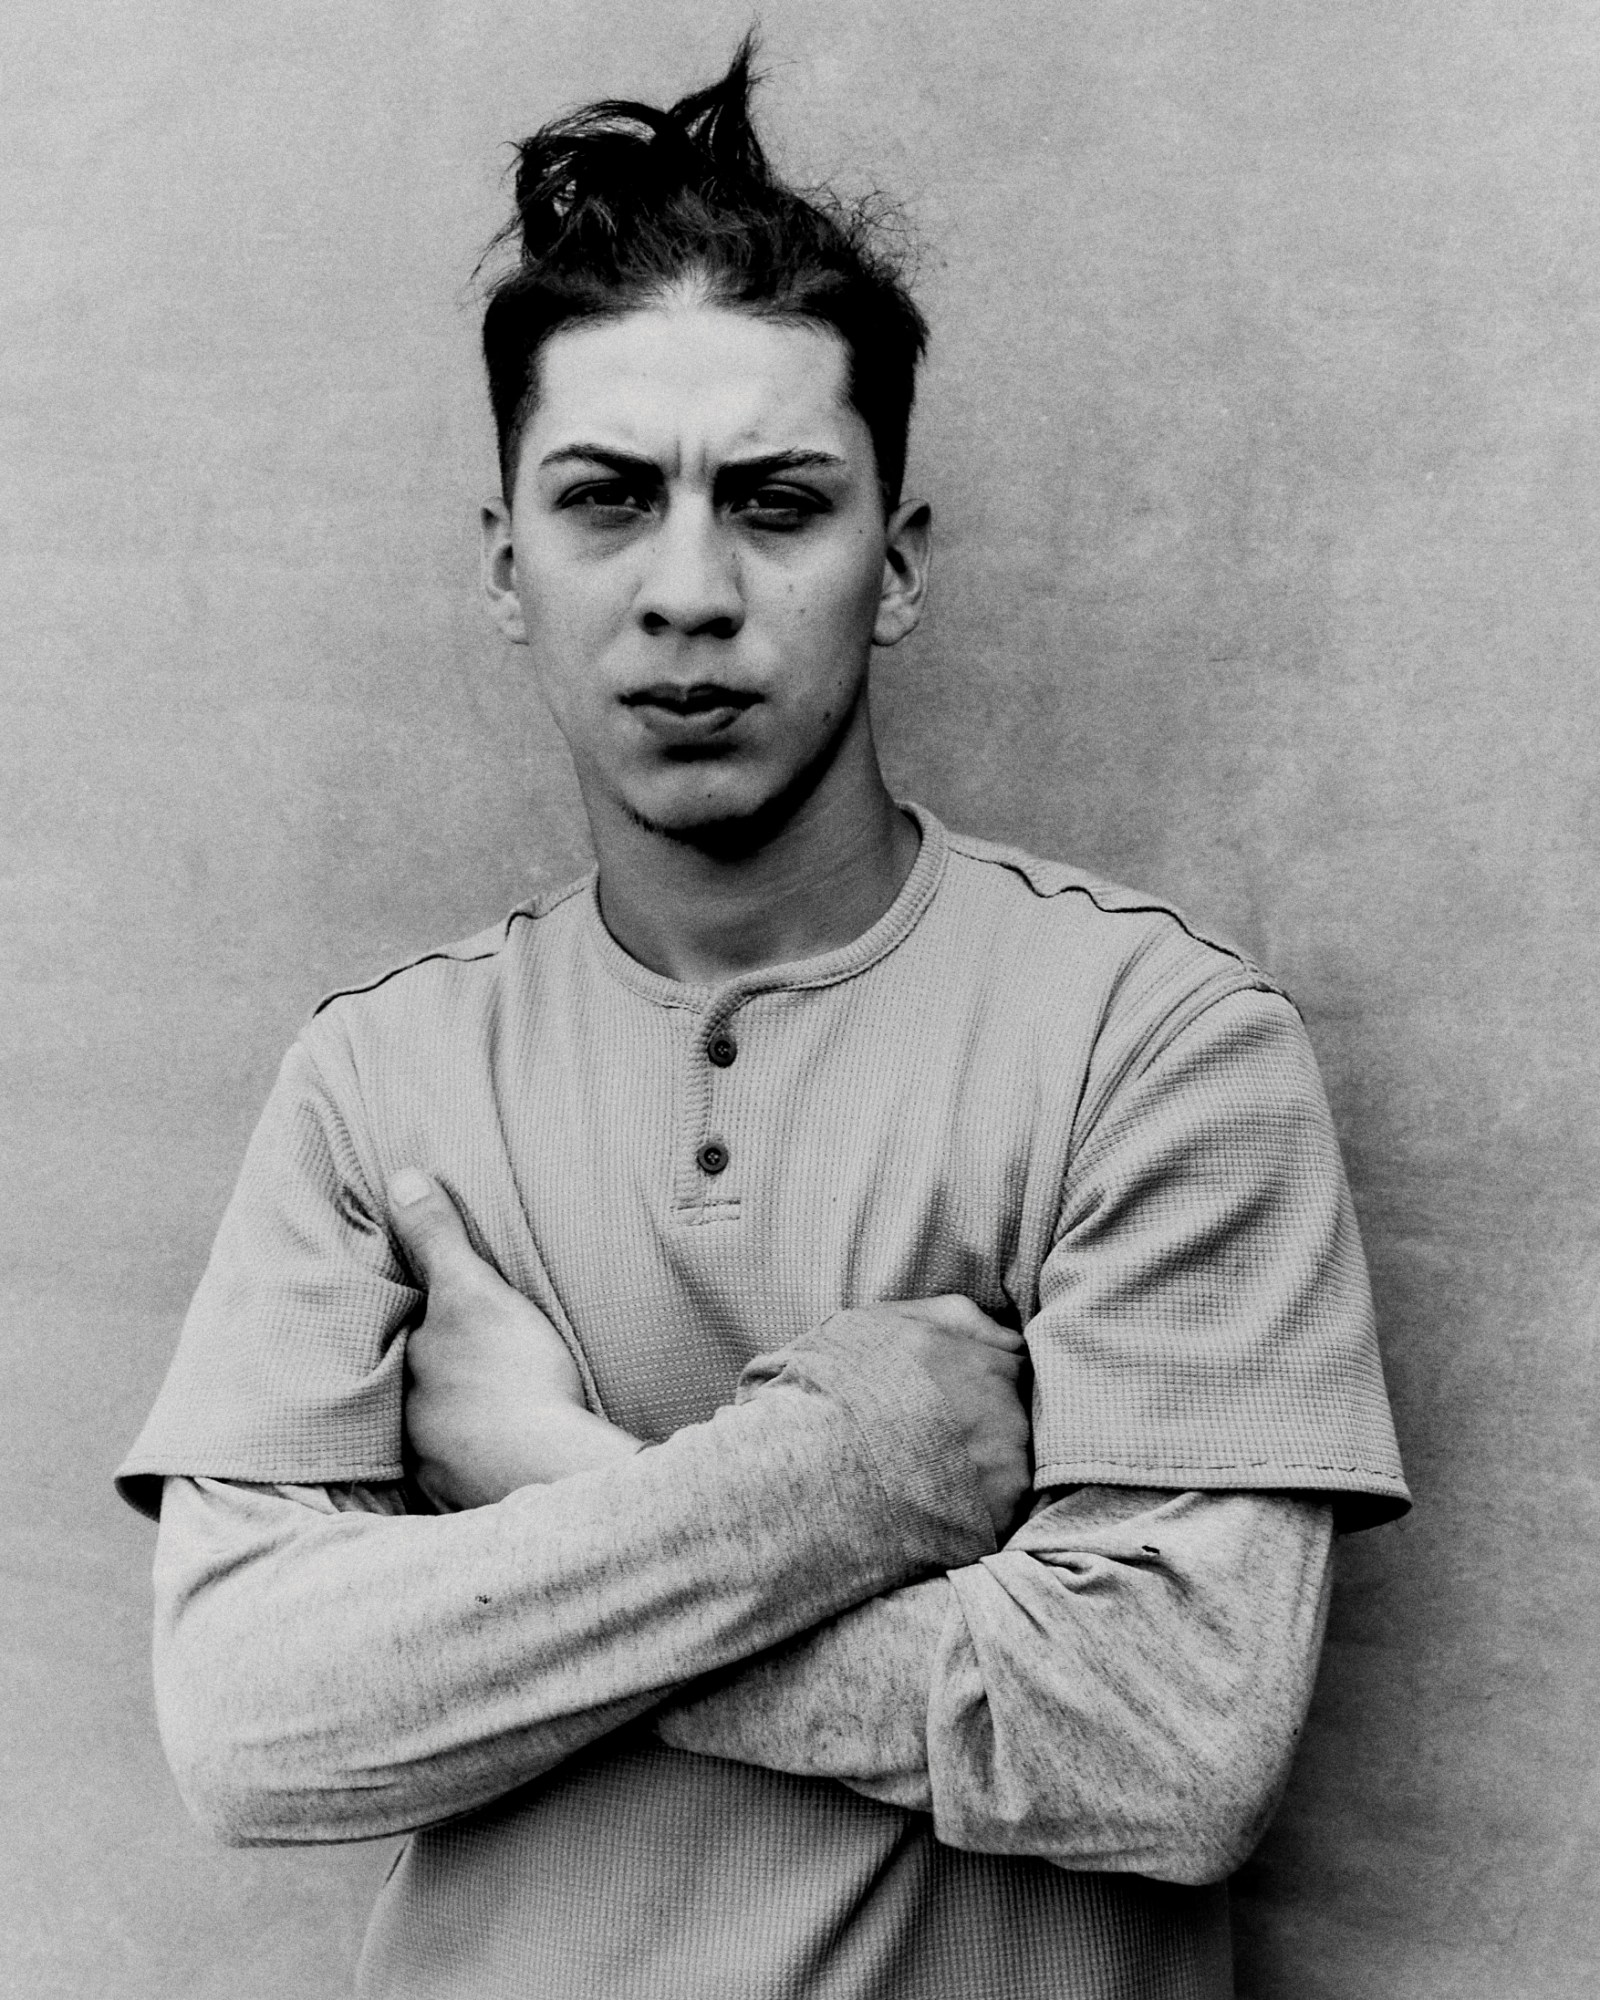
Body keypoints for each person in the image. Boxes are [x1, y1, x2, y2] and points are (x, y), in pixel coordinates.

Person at [119, 41, 1409, 2000]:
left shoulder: (1150, 1041)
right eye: (606, 502)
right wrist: (847, 1474)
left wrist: (530, 1481)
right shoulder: (372, 1081)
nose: (689, 590)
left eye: (777, 502)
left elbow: (1167, 1745)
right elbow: (251, 1721)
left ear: (891, 565)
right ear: (504, 567)